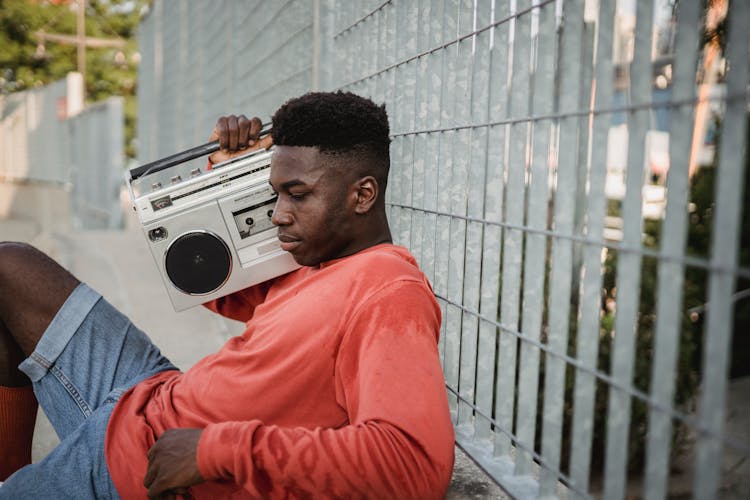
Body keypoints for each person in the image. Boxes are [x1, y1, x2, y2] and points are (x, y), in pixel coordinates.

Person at [0, 91, 455, 499]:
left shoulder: (389, 294)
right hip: (149, 399)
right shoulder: (318, 258)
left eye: (297, 195)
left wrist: (216, 450)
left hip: (149, 465)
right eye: (275, 193)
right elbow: (211, 283)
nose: (278, 214)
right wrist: (231, 170)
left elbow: (411, 465)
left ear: (363, 195)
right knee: (10, 267)